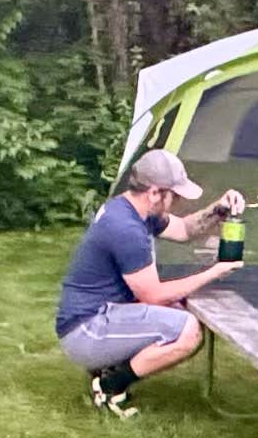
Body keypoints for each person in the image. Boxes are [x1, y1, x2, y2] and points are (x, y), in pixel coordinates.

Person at [53, 149, 246, 415]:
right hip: (86, 329)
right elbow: (153, 296)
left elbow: (184, 230)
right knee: (186, 330)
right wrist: (214, 272)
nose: (177, 200)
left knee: (177, 310)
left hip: (94, 316)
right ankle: (111, 386)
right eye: (174, 194)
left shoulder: (131, 209)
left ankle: (107, 369)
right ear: (155, 193)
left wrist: (219, 208)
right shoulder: (126, 229)